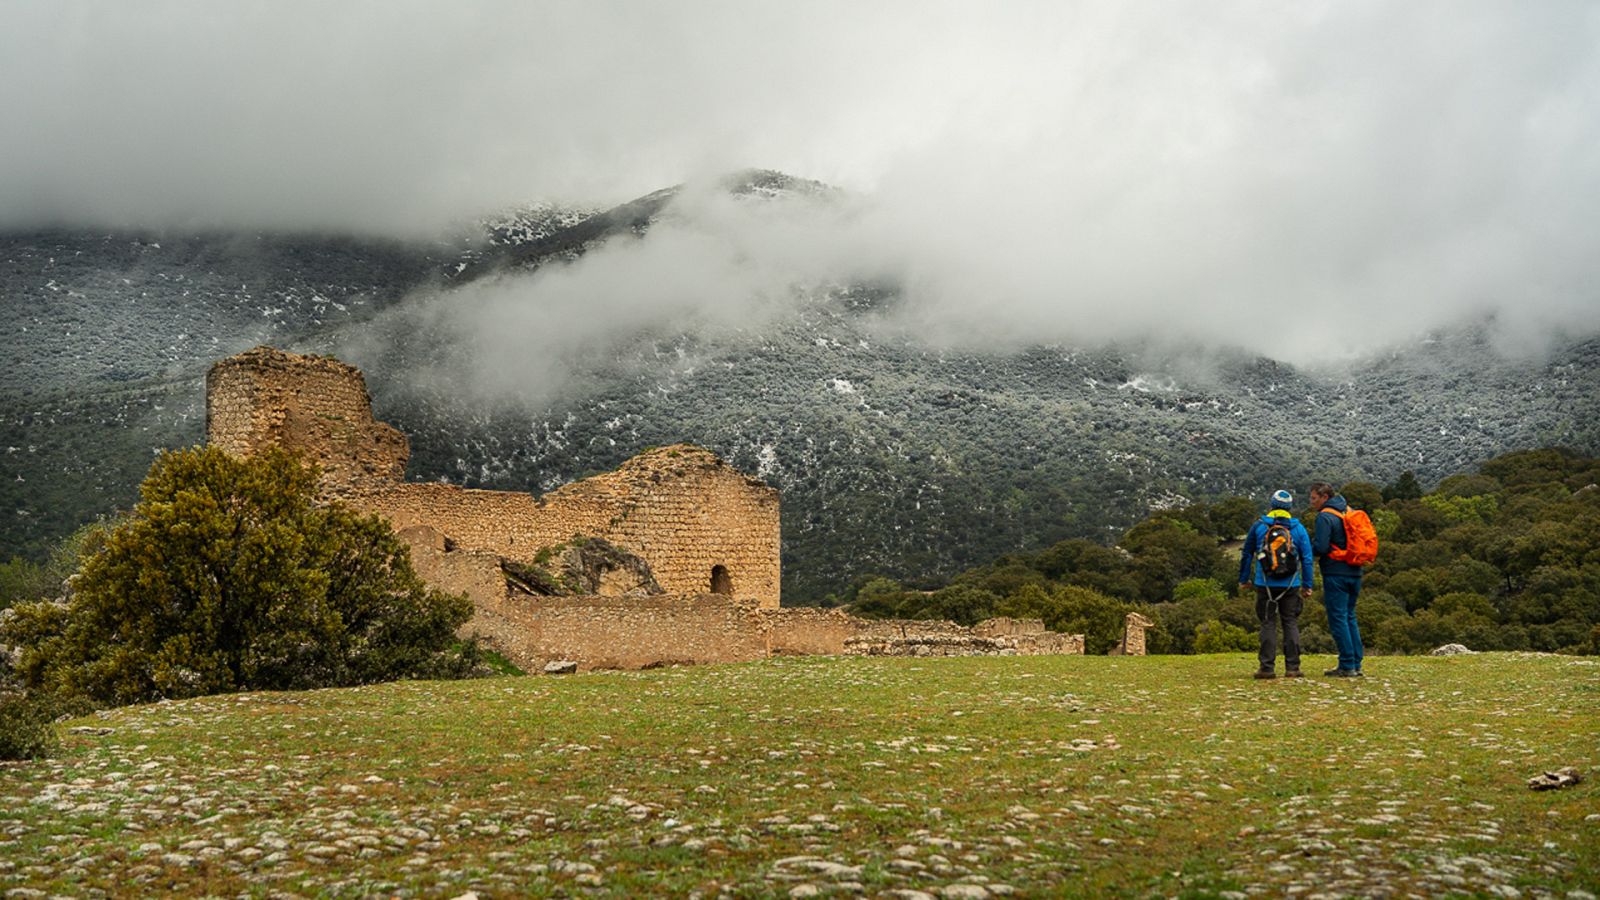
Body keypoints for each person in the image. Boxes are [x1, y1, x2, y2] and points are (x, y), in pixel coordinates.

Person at [1238, 489, 1314, 679]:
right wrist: (1307, 585)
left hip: (1264, 584)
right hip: (1291, 584)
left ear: (1271, 505)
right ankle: (1293, 668)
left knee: (1268, 623)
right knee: (1290, 622)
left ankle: (1266, 668)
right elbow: (1307, 559)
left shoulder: (1259, 526)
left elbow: (1247, 553)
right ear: (1290, 507)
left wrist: (1244, 579)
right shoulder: (1298, 528)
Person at [1310, 481, 1365, 677]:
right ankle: (1356, 663)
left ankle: (1347, 665)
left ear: (1325, 497)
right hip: (1355, 571)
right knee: (1350, 616)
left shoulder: (1325, 517)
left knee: (1338, 618)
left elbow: (1321, 547)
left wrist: (1307, 548)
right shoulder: (1348, 511)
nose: (1311, 502)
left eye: (1314, 498)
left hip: (1335, 573)